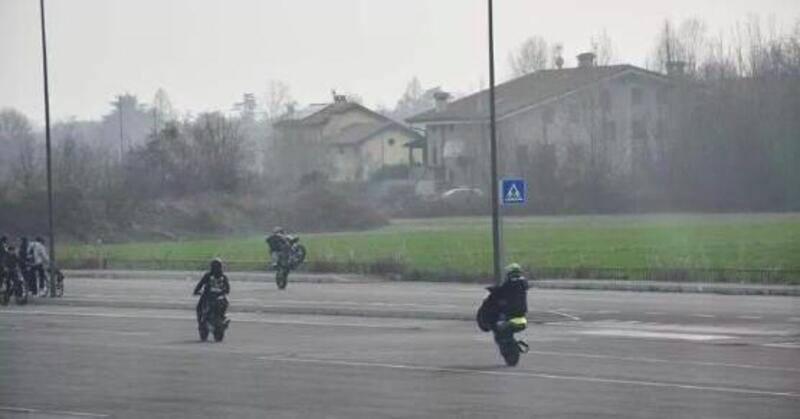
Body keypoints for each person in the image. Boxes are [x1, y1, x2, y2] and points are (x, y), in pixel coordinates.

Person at [491, 263, 530, 339]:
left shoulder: (508, 284)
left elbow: (500, 292)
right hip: (522, 311)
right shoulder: (523, 283)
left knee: (498, 320)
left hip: (510, 312)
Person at [193, 258, 231, 328]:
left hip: (209, 296)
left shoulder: (208, 275)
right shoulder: (223, 276)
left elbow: (200, 284)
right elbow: (228, 289)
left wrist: (196, 291)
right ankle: (203, 323)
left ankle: (201, 324)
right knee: (200, 308)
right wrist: (223, 292)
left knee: (199, 308)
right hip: (218, 296)